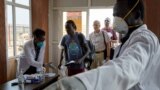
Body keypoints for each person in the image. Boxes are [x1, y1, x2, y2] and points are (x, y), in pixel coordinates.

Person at [44, 0, 160, 90]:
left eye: (119, 15)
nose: (115, 20)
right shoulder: (127, 39)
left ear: (136, 15)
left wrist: (80, 83)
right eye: (114, 15)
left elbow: (125, 68)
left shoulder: (145, 39)